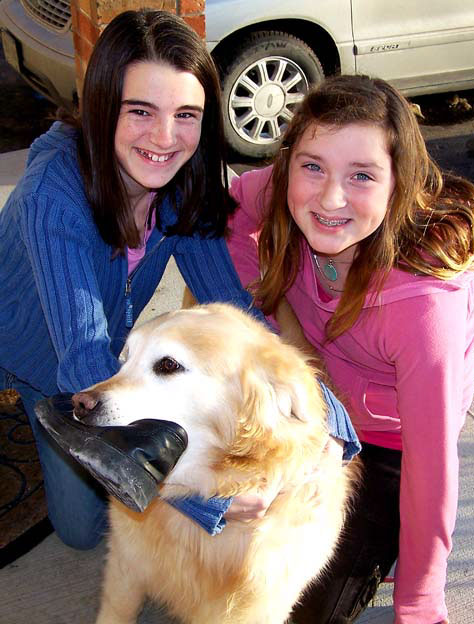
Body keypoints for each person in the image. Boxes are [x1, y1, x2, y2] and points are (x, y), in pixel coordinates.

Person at [0, 10, 358, 550]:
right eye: (140, 110)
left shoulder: (183, 176)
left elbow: (237, 311)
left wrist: (325, 421)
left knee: (119, 493)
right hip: (35, 350)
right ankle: (36, 418)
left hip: (106, 353)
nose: (165, 138)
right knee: (85, 529)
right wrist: (195, 496)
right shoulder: (53, 196)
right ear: (101, 108)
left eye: (186, 114)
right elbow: (82, 362)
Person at [223, 75, 474, 624]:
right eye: (312, 165)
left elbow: (431, 462)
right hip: (309, 400)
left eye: (362, 175)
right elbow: (231, 215)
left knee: (301, 607)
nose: (329, 197)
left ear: (398, 183)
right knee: (232, 563)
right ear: (289, 161)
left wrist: (419, 605)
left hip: (386, 440)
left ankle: (381, 543)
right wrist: (275, 317)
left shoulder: (422, 306)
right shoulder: (284, 191)